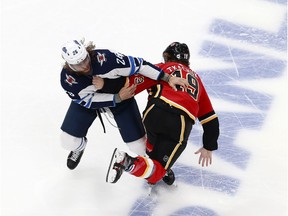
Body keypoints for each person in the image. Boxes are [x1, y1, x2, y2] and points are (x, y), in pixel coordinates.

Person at [60, 39, 188, 170]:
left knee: (139, 146)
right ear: (69, 65)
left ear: (87, 53)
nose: (84, 66)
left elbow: (140, 65)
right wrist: (116, 97)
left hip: (122, 100)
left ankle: (156, 166)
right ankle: (79, 147)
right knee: (68, 141)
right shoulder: (67, 80)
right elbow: (86, 101)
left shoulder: (108, 60)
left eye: (85, 59)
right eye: (77, 65)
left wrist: (168, 78)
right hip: (104, 100)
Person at [105, 42, 220, 186]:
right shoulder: (197, 80)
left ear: (168, 57)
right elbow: (210, 119)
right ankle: (128, 162)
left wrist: (108, 93)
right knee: (154, 175)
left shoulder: (160, 67)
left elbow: (132, 83)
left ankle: (160, 167)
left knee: (152, 151)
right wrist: (209, 145)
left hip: (155, 111)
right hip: (180, 121)